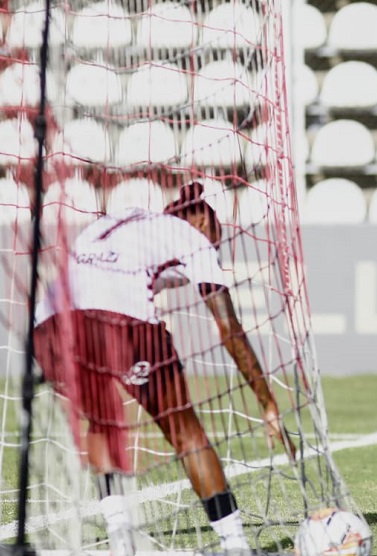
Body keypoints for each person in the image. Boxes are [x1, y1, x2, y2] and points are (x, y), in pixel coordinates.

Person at [33, 181, 296, 555]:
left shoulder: (123, 221)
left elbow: (136, 274)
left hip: (49, 327)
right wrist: (267, 403)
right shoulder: (193, 236)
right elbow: (230, 330)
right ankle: (235, 543)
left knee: (102, 420)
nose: (216, 243)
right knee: (186, 433)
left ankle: (120, 532)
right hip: (122, 326)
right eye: (217, 233)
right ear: (203, 219)